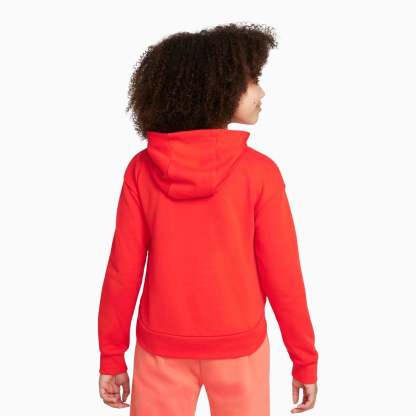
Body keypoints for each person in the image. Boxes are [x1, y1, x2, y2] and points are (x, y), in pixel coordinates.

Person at [97, 22, 318, 415]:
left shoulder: (141, 171)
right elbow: (283, 273)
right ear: (218, 88)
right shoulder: (260, 173)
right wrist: (304, 359)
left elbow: (122, 270)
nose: (262, 92)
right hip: (240, 348)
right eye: (252, 80)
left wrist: (112, 356)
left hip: (161, 346)